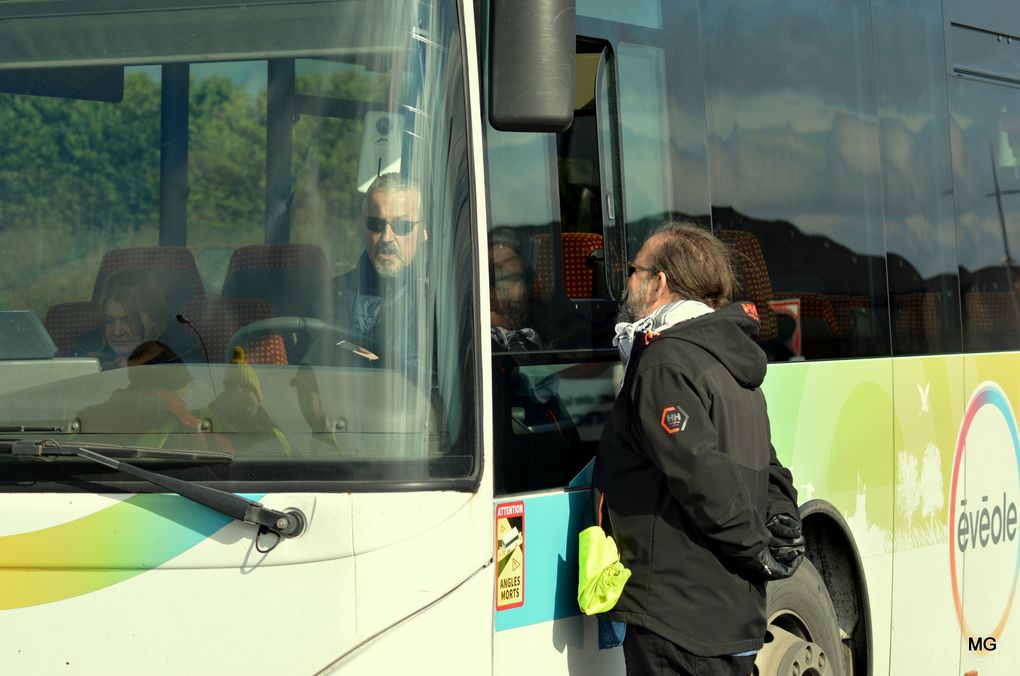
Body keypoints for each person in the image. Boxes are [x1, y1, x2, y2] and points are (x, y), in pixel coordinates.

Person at [593, 221, 803, 676]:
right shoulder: (729, 359)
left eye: (633, 270)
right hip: (730, 615)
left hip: (677, 617)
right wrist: (783, 524)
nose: (627, 281)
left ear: (660, 282)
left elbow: (700, 473)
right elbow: (769, 467)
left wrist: (757, 548)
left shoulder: (666, 360)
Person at [331, 172, 427, 368]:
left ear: (424, 232)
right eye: (375, 224)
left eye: (402, 225)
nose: (387, 238)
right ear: (362, 228)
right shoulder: (333, 293)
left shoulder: (440, 301)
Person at [75, 272, 169, 370]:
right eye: (109, 321)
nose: (117, 332)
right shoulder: (84, 361)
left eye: (128, 321)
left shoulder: (175, 364)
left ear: (154, 320)